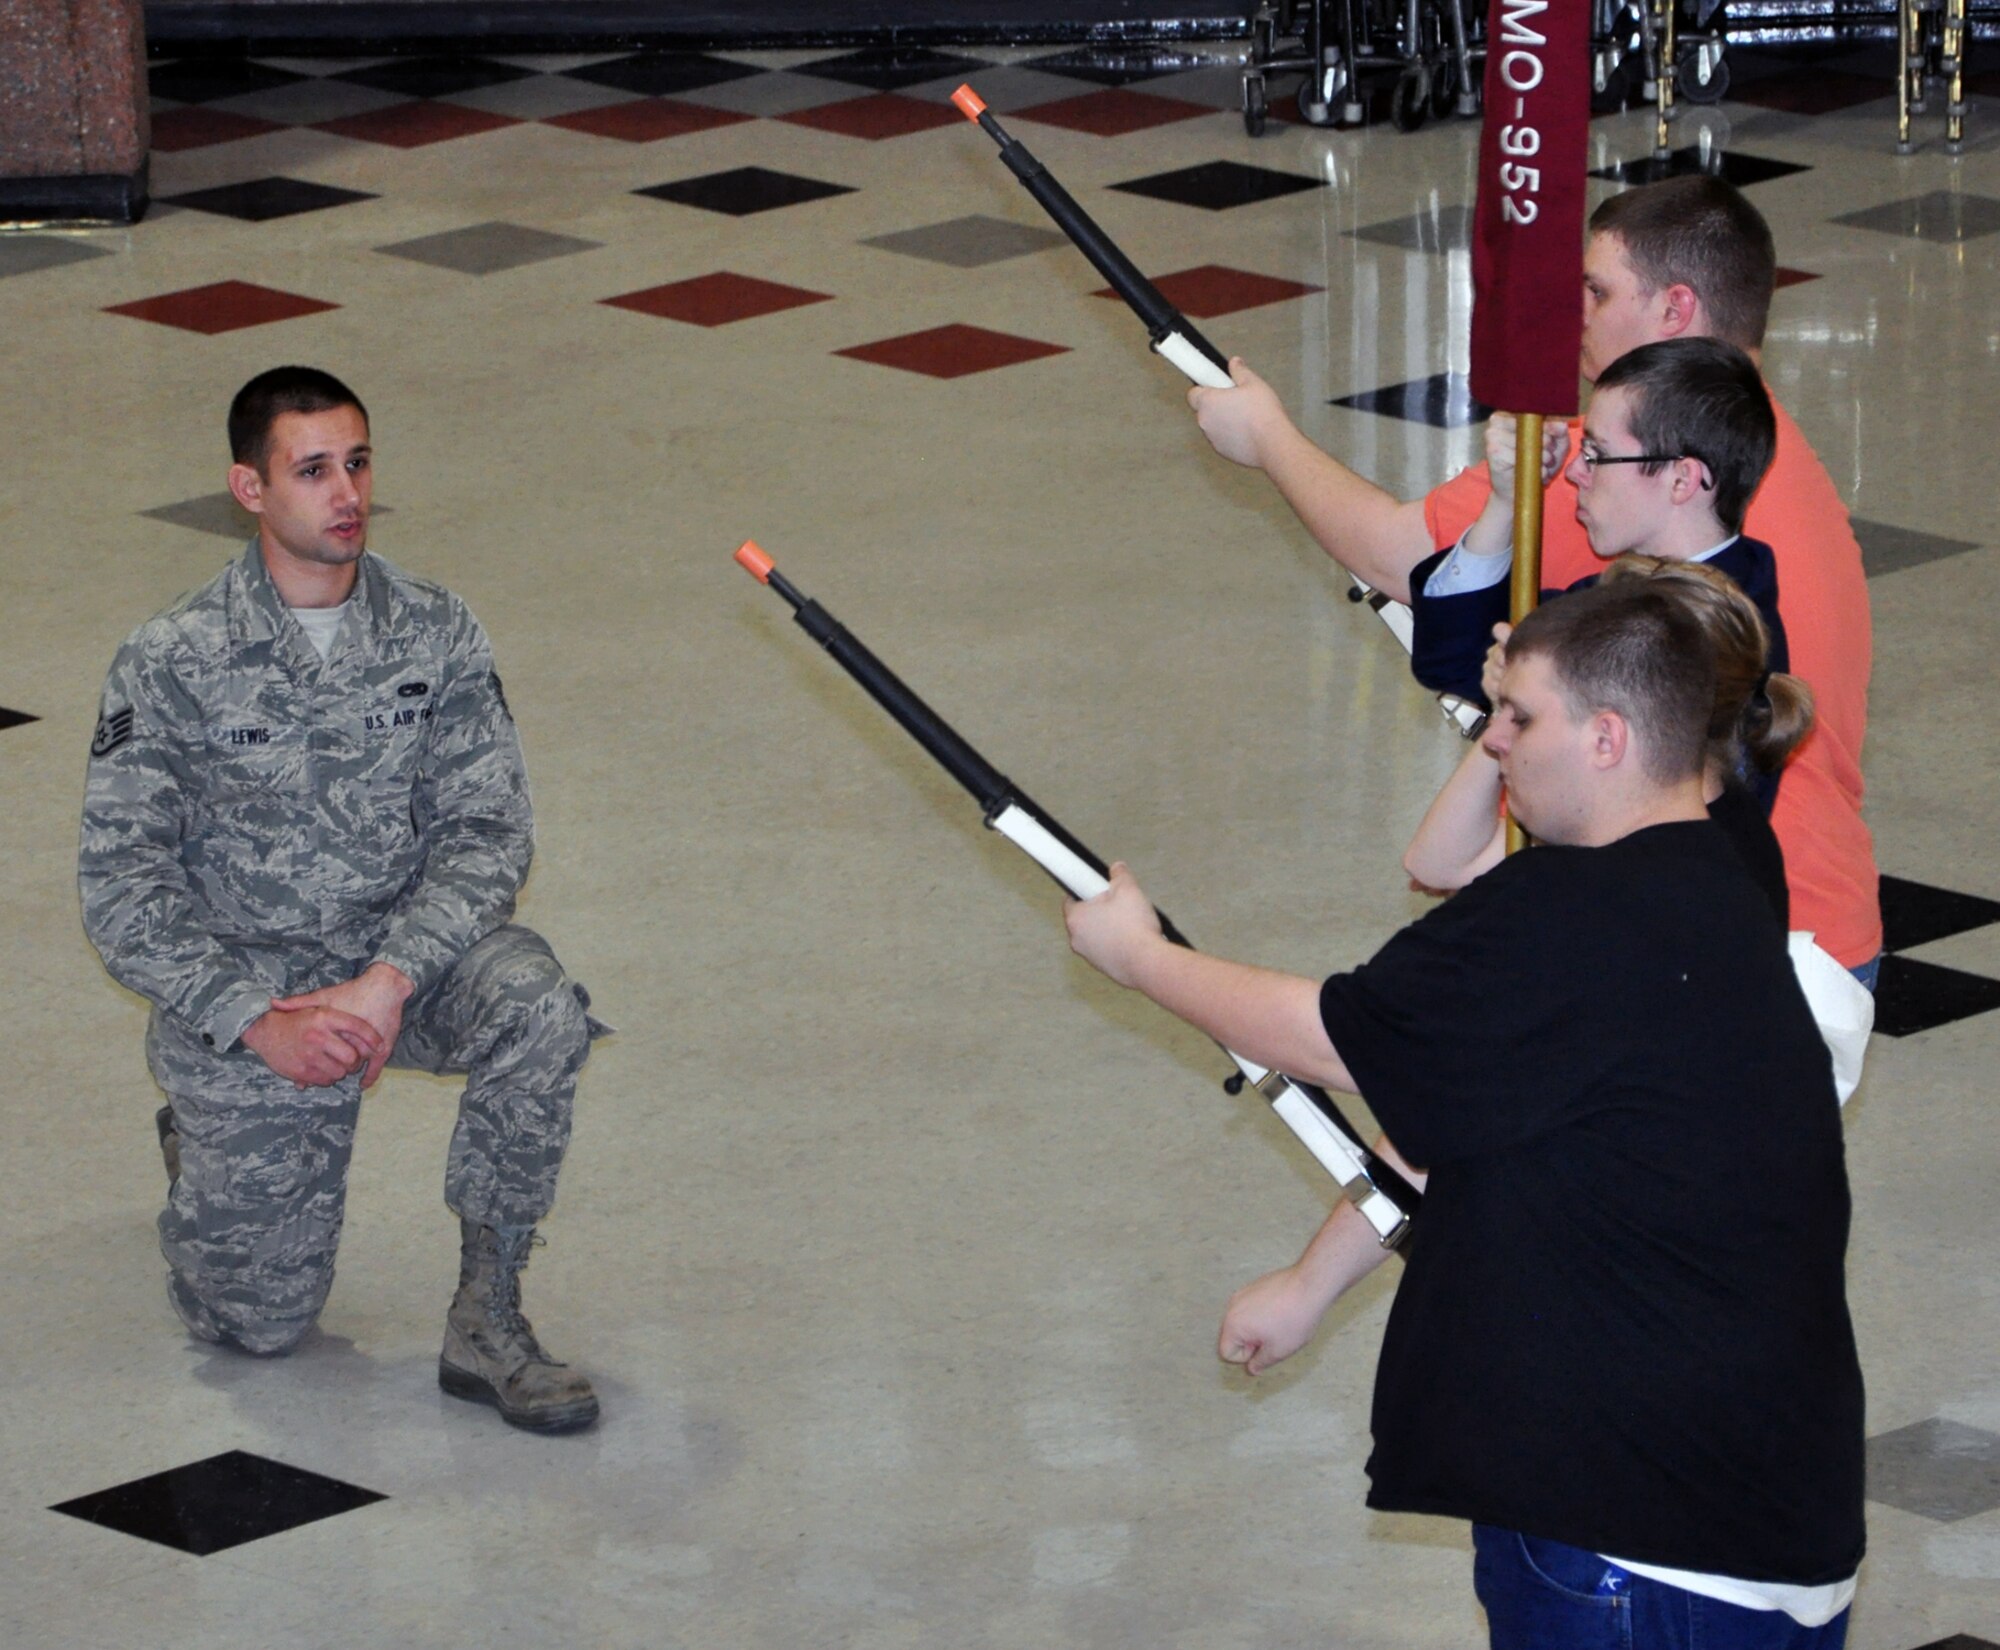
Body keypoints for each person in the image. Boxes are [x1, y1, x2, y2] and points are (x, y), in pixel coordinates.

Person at [1063, 580, 1864, 1648]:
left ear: (1607, 737)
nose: (1493, 741)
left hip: (1630, 1547)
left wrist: (1143, 959)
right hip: (1757, 1509)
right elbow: (1474, 1100)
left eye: (1520, 717)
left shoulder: (1568, 915)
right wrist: (1313, 1283)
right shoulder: (1727, 862)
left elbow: (1328, 1036)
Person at [80, 366, 603, 1434]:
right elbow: (122, 887)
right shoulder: (170, 658)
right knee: (261, 1326)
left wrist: (389, 978)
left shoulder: (433, 628)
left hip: (396, 963)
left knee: (539, 1003)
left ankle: (489, 1316)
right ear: (249, 487)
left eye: (357, 462)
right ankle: (203, 1139)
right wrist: (254, 1024)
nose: (345, 492)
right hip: (251, 994)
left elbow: (487, 832)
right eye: (311, 470)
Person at [1187, 175, 1879, 981]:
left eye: (1597, 290)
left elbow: (1394, 556)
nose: (1574, 314)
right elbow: (1453, 645)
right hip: (1820, 914)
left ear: (1675, 311)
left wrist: (1266, 437)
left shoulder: (1624, 473)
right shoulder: (1772, 458)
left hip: (1719, 946)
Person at [1409, 337, 1786, 738]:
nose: (1573, 472)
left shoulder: (1713, 643)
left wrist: (1524, 697)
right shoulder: (1634, 589)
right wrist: (1508, 499)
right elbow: (1452, 659)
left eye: (1595, 453)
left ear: (1682, 479)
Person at [1405, 554, 1811, 920]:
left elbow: (1444, 869)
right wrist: (1512, 709)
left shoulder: (1629, 869)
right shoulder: (1680, 807)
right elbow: (1438, 863)